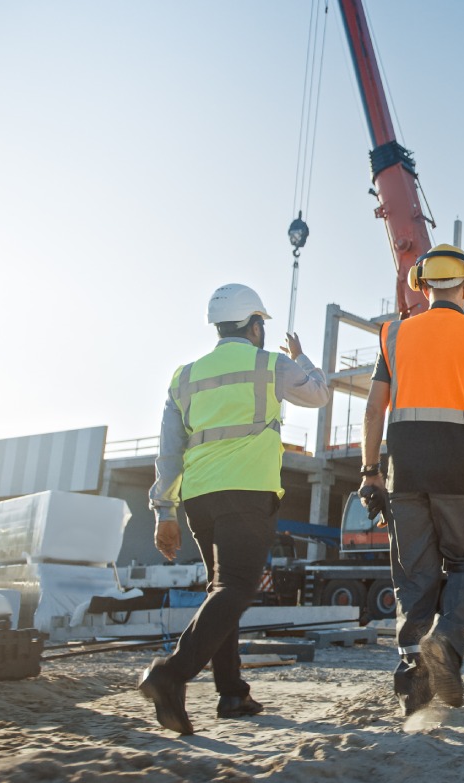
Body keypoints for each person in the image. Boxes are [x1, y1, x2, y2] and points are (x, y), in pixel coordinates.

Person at [141, 283, 332, 735]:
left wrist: (163, 511)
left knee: (221, 591)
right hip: (246, 492)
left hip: (199, 498)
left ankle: (232, 693)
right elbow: (319, 395)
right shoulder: (271, 365)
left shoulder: (184, 376)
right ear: (255, 325)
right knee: (237, 588)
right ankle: (170, 674)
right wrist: (302, 359)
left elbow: (168, 452)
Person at [360, 244, 464, 717]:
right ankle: (446, 642)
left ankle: (415, 695)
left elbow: (374, 409)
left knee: (415, 580)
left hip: (405, 476)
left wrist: (371, 471)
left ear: (422, 284)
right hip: (463, 474)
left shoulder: (393, 335)